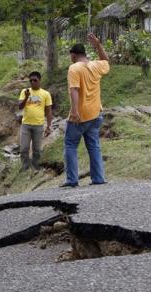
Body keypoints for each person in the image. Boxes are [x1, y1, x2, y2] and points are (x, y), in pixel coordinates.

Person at [61, 33, 110, 188]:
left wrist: (74, 112)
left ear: (73, 55)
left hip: (81, 115)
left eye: (71, 56)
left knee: (70, 145)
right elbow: (106, 61)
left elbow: (74, 90)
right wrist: (98, 45)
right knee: (94, 145)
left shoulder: (74, 68)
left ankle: (72, 180)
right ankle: (98, 178)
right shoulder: (96, 65)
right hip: (96, 114)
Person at [18, 71, 52, 171]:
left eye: (35, 80)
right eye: (31, 81)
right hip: (26, 125)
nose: (33, 82)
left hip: (39, 125)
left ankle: (36, 167)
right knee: (24, 148)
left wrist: (49, 126)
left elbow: (49, 111)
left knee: (37, 150)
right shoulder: (25, 91)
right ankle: (25, 167)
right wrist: (26, 97)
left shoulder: (45, 94)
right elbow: (20, 106)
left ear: (39, 81)